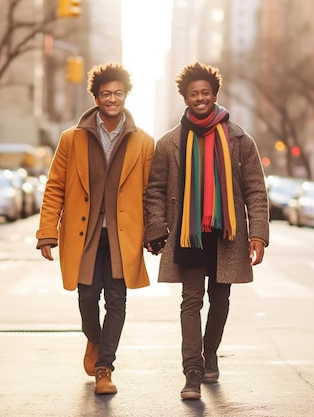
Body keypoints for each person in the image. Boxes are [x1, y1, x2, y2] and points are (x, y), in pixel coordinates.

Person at [143, 62, 269, 400]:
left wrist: (258, 234)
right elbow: (154, 190)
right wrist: (156, 228)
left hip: (226, 233)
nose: (200, 98)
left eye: (205, 93)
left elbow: (256, 190)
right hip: (187, 232)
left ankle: (210, 351)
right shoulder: (169, 143)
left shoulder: (240, 140)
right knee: (190, 300)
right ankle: (192, 372)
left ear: (215, 95)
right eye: (193, 93)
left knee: (221, 298)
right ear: (185, 98)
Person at [35, 62, 154, 395]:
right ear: (97, 97)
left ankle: (105, 368)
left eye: (118, 93)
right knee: (87, 295)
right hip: (83, 234)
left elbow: (150, 192)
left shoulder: (144, 142)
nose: (112, 99)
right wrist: (47, 231)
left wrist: (153, 232)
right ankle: (94, 338)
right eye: (106, 94)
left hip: (122, 236)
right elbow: (55, 186)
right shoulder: (71, 139)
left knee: (116, 299)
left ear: (126, 96)